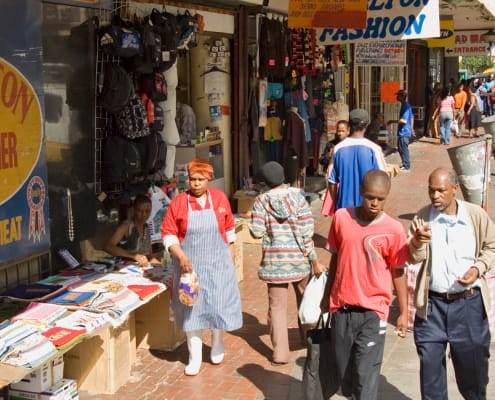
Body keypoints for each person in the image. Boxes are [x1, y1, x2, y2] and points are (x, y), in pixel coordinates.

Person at [321, 169, 409, 400]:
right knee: (346, 378)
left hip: (374, 311)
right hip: (342, 308)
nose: (375, 203)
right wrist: (326, 296)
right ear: (361, 192)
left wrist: (403, 312)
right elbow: (335, 257)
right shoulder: (341, 217)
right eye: (370, 197)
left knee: (366, 376)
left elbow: (398, 271)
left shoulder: (394, 229)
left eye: (381, 199)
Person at [408, 167, 495, 399]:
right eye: (431, 190)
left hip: (468, 306)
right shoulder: (422, 217)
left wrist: (477, 269)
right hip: (432, 308)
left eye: (441, 191)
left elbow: (492, 246)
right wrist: (416, 243)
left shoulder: (475, 216)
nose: (435, 195)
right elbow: (413, 257)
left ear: (455, 190)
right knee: (431, 376)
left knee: (473, 377)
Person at [160, 158, 242, 376]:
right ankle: (194, 356)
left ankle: (217, 342)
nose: (195, 184)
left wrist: (230, 262)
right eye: (192, 179)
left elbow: (230, 231)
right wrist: (180, 255)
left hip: (218, 267)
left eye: (200, 180)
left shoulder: (220, 199)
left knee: (216, 306)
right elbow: (168, 233)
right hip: (189, 270)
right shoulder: (178, 202)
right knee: (190, 310)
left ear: (208, 179)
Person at [248, 161, 325, 365]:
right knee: (306, 301)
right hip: (299, 261)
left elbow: (256, 231)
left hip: (275, 263)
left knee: (277, 308)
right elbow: (307, 233)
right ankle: (309, 341)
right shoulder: (299, 199)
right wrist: (313, 259)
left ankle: (280, 354)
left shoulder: (261, 201)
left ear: (264, 182)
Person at [327, 108, 387, 211]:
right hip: (366, 211)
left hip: (343, 209)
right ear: (366, 126)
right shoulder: (374, 149)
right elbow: (383, 180)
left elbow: (331, 181)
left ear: (349, 125)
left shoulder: (338, 149)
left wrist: (337, 203)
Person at [104, 194, 160, 267]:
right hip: (126, 269)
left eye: (147, 211)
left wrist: (160, 266)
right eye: (140, 211)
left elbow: (149, 256)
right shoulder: (126, 227)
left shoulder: (146, 227)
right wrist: (134, 256)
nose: (144, 214)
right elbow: (107, 247)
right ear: (134, 210)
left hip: (143, 269)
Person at [396, 89, 414, 171]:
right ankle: (404, 163)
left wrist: (393, 121)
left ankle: (406, 166)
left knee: (404, 148)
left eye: (398, 95)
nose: (397, 97)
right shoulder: (405, 106)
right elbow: (412, 117)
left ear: (402, 97)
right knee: (400, 148)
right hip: (403, 131)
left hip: (404, 131)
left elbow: (404, 120)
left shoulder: (406, 106)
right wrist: (412, 128)